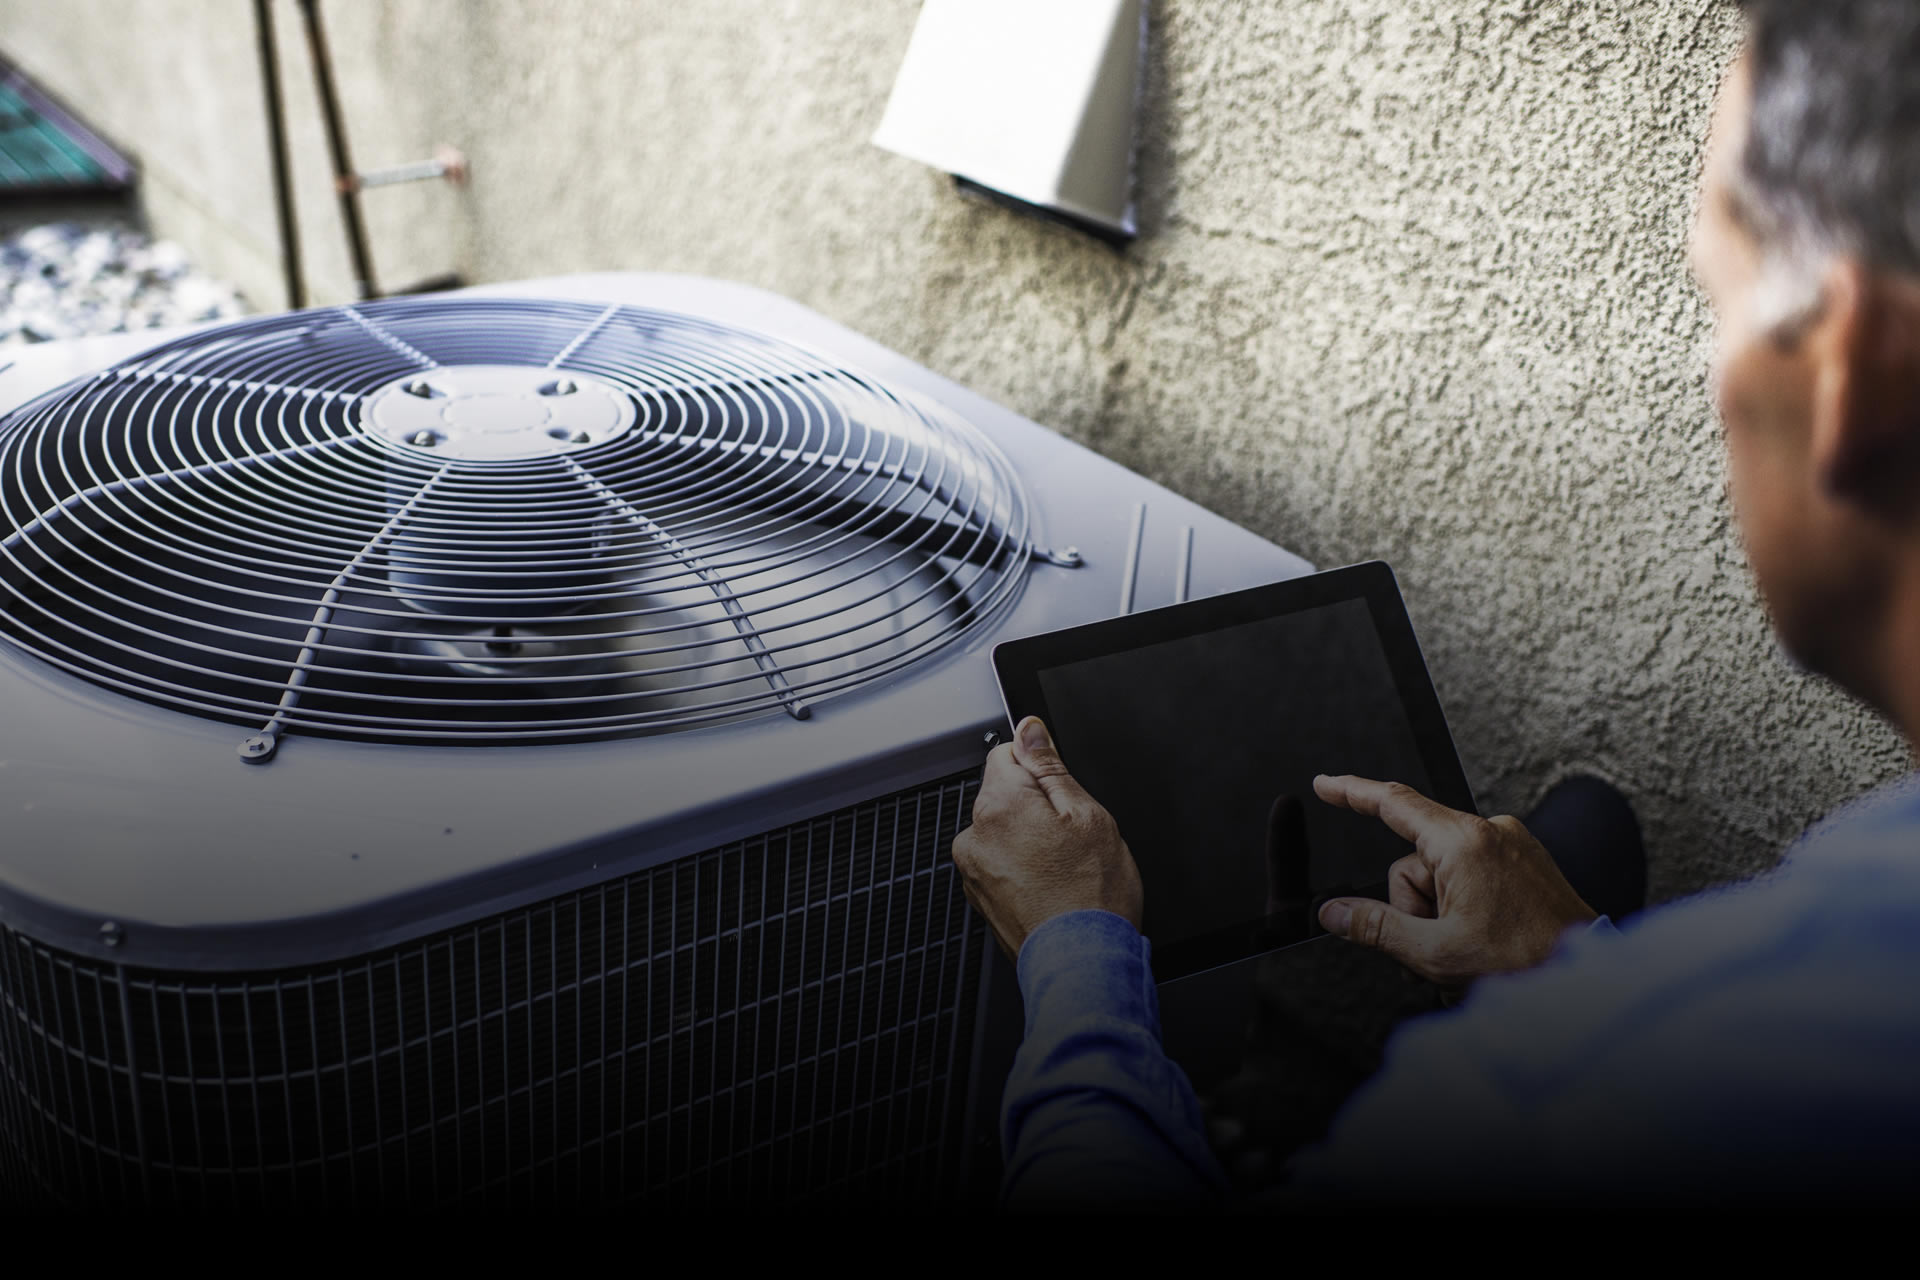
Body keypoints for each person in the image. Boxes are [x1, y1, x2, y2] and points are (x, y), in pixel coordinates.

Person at [951, 0, 1920, 1209]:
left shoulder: (1551, 1093)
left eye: (1717, 309)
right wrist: (1576, 961)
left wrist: (1074, 947)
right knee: (1583, 834)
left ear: (1851, 378)